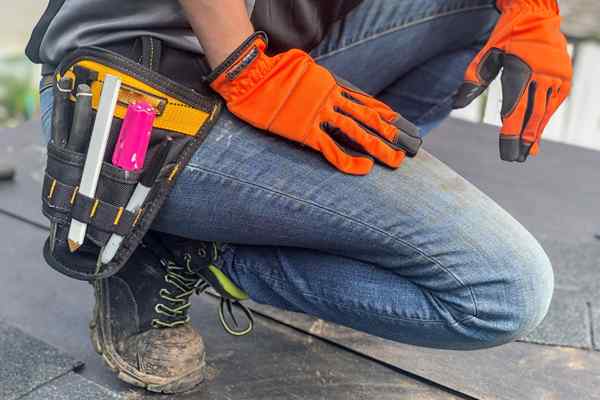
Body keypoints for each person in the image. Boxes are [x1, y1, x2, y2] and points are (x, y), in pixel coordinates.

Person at [27, 0, 572, 394]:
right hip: (136, 98)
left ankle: (286, 221)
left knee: (484, 11)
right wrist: (243, 67)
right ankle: (186, 250)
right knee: (502, 292)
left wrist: (532, 10)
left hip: (277, 65)